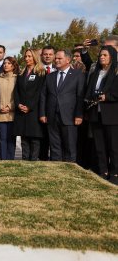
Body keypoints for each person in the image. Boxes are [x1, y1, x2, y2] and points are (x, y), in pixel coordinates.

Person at [39, 49, 85, 162]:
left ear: (68, 60)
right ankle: (57, 171)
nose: (56, 60)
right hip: (52, 117)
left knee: (69, 147)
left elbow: (80, 96)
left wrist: (79, 115)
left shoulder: (78, 75)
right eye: (56, 58)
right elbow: (44, 96)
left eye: (59, 58)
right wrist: (43, 113)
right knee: (55, 147)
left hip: (69, 117)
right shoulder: (50, 76)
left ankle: (70, 171)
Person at [85, 45, 118, 184]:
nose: (101, 57)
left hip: (111, 115)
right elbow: (89, 91)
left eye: (105, 55)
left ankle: (115, 173)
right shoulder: (95, 73)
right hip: (95, 113)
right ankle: (103, 171)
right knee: (99, 145)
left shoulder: (116, 73)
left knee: (114, 146)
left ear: (112, 57)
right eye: (100, 55)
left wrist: (107, 97)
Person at [13, 49, 45, 161]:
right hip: (21, 111)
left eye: (29, 56)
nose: (27, 58)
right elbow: (16, 91)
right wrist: (18, 104)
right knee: (24, 137)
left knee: (34, 138)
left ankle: (34, 160)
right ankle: (25, 160)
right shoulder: (21, 73)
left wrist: (29, 107)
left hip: (34, 111)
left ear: (35, 57)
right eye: (25, 56)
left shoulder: (41, 73)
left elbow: (40, 92)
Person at [0, 56, 18, 160]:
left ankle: (11, 160)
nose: (6, 65)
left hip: (13, 113)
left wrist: (9, 107)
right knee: (2, 139)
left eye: (8, 63)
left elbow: (18, 95)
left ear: (13, 66)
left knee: (11, 139)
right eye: (5, 63)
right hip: (0, 113)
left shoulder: (17, 78)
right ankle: (3, 160)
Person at [39, 45, 56, 160]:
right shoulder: (36, 69)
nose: (48, 56)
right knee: (42, 138)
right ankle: (42, 158)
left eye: (50, 54)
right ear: (41, 55)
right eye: (45, 54)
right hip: (40, 109)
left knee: (54, 139)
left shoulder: (58, 69)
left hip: (55, 109)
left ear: (54, 56)